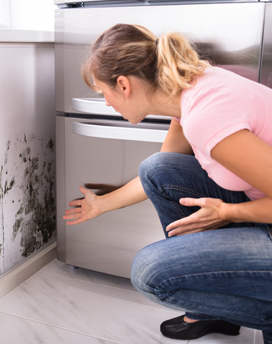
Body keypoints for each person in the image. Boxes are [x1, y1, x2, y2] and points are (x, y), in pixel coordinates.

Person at [63, 23, 272, 343]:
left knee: (151, 273)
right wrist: (102, 203)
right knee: (158, 168)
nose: (106, 103)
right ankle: (211, 310)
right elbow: (157, 176)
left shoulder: (206, 116)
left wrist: (230, 213)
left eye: (102, 93)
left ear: (123, 84)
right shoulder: (190, 91)